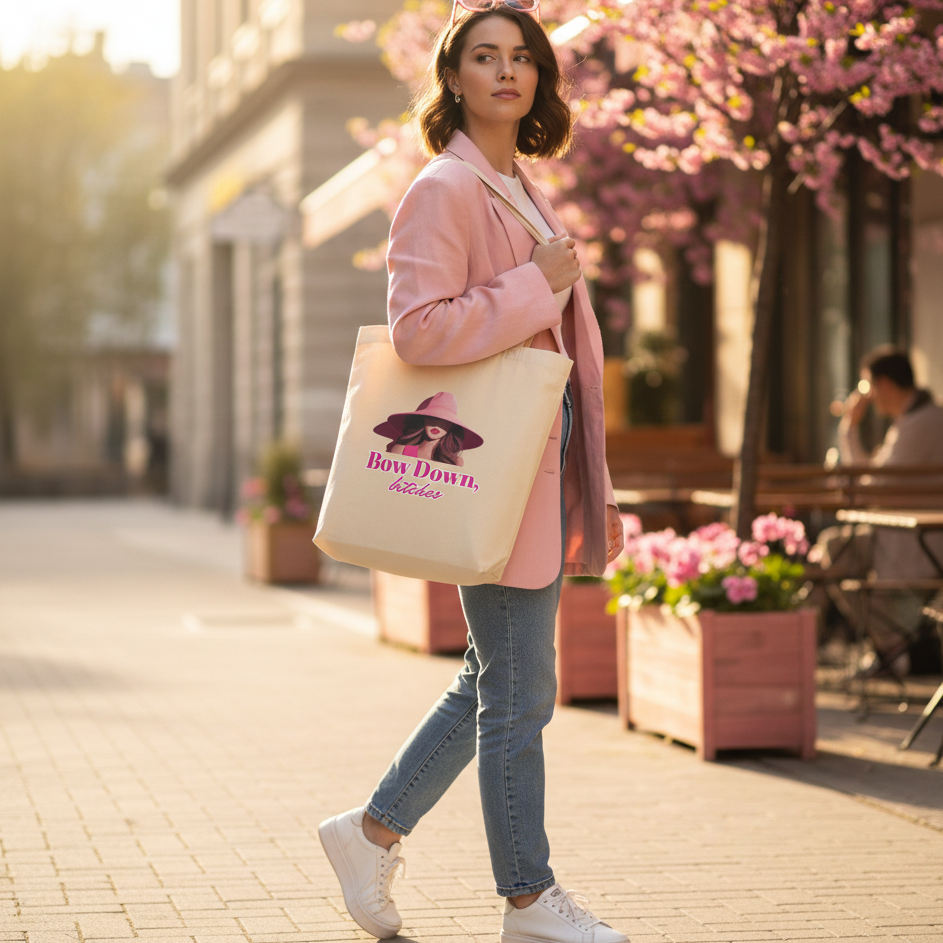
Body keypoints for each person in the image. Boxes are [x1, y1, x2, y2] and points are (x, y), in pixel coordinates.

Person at [318, 3, 627, 942]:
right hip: (486, 473)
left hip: (524, 471)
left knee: (495, 680)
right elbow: (420, 328)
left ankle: (367, 834)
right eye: (484, 57)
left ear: (539, 77)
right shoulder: (446, 187)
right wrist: (535, 281)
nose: (506, 72)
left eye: (521, 58)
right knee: (520, 691)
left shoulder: (513, 183)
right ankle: (527, 897)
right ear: (451, 77)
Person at [813, 346, 943, 673]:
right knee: (831, 548)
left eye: (866, 386)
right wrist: (850, 432)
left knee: (833, 551)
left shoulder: (921, 423)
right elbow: (871, 480)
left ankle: (893, 647)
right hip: (899, 533)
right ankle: (890, 647)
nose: (866, 397)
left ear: (884, 384)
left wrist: (848, 429)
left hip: (916, 540)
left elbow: (871, 487)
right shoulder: (912, 420)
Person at [373, 391, 484, 466]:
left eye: (444, 420)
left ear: (451, 425)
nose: (436, 424)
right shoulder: (400, 451)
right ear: (423, 421)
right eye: (431, 417)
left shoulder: (455, 462)